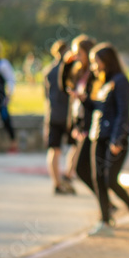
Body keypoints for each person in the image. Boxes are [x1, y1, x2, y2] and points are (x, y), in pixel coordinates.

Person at [85, 43, 129, 237]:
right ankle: (105, 221)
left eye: (96, 62)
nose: (94, 66)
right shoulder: (103, 82)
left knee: (110, 179)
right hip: (97, 135)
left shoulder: (120, 81)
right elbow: (101, 108)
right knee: (98, 179)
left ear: (107, 61)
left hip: (114, 138)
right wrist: (85, 100)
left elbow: (123, 112)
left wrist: (117, 139)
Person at [61, 35, 98, 193]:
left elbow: (95, 102)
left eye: (79, 53)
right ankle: (103, 199)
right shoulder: (78, 71)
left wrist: (84, 99)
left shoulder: (94, 73)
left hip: (89, 122)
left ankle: (103, 198)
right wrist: (66, 64)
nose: (76, 57)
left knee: (83, 165)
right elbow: (64, 86)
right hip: (78, 119)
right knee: (79, 161)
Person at [43, 40, 73, 194]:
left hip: (53, 114)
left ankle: (57, 183)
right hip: (68, 115)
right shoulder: (72, 70)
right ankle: (67, 174)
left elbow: (45, 96)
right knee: (75, 146)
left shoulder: (48, 71)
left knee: (54, 150)